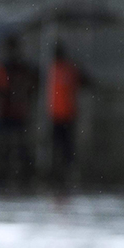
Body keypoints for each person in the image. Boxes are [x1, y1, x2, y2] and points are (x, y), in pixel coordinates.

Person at [0, 36, 39, 186]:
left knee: (16, 146)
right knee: (9, 146)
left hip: (14, 112)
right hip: (9, 112)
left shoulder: (19, 68)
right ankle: (9, 175)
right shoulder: (11, 68)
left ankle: (18, 175)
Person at [47, 42, 90, 184]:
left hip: (59, 114)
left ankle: (60, 171)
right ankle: (64, 171)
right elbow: (86, 81)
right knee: (65, 146)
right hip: (65, 114)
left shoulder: (54, 70)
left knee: (60, 145)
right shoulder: (68, 69)